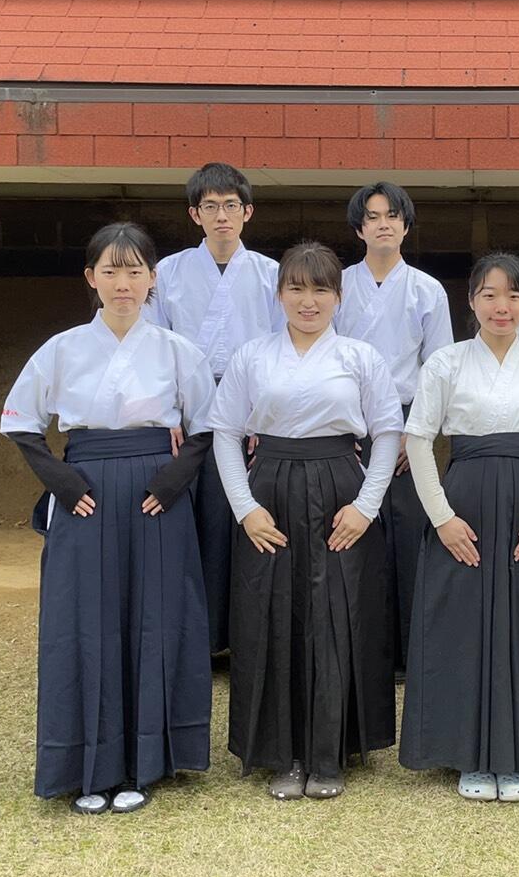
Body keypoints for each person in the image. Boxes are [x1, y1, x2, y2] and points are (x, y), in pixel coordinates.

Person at [0, 222, 214, 815]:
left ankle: (147, 763)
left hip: (155, 495)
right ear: (91, 278)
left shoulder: (177, 351)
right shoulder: (63, 349)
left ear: (153, 280)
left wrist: (175, 479)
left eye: (136, 271)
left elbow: (209, 424)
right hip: (86, 494)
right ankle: (87, 763)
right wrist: (62, 482)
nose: (124, 284)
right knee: (84, 620)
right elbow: (19, 420)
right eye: (111, 271)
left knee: (157, 618)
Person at [206, 241, 403, 800]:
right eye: (296, 288)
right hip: (268, 488)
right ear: (280, 294)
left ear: (338, 297)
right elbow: (225, 432)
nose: (308, 300)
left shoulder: (360, 357)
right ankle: (282, 753)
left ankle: (331, 752)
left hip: (342, 486)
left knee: (337, 618)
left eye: (320, 289)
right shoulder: (252, 356)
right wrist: (245, 508)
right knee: (273, 618)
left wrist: (366, 507)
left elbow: (387, 432)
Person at [399, 252, 519, 802]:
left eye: (514, 296)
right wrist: (442, 518)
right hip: (465, 503)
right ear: (472, 300)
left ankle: (518, 755)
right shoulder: (446, 363)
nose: (503, 307)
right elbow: (418, 439)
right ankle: (469, 754)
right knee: (463, 625)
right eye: (490, 295)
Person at [147, 162, 284, 657]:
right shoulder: (167, 272)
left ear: (247, 212)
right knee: (199, 519)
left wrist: (263, 415)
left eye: (231, 206)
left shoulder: (272, 274)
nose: (221, 216)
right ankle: (200, 639)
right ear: (194, 214)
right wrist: (167, 414)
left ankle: (247, 636)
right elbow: (153, 344)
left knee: (245, 517)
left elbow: (278, 349)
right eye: (211, 207)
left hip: (251, 407)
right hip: (188, 406)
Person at [334, 181, 453, 672]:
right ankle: (359, 645)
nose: (383, 224)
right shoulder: (336, 283)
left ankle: (409, 649)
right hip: (347, 420)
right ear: (360, 227)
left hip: (407, 419)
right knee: (354, 531)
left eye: (392, 216)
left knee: (408, 531)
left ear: (405, 224)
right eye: (373, 216)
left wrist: (415, 433)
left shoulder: (427, 288)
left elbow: (439, 365)